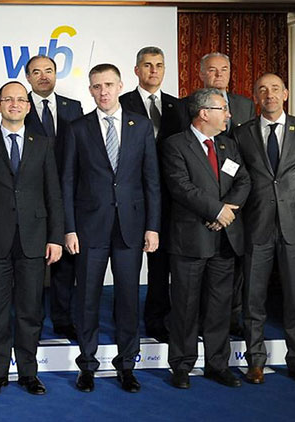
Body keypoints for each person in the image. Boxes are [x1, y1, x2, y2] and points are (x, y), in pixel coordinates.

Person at [62, 64, 160, 393]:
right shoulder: (77, 128)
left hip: (131, 227)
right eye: (96, 86)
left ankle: (127, 365)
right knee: (87, 299)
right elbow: (67, 182)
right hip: (89, 228)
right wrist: (69, 229)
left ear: (120, 86)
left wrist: (153, 227)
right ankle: (87, 365)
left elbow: (151, 180)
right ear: (90, 90)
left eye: (108, 84)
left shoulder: (141, 125)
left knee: (128, 299)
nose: (103, 91)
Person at [0, 81, 63, 395]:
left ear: (28, 106)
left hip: (34, 240)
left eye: (21, 99)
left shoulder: (43, 144)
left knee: (30, 311)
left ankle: (28, 373)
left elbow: (54, 195)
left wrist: (56, 237)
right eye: (8, 99)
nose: (15, 104)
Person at [162, 88, 250, 389]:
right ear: (204, 113)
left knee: (219, 307)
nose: (228, 114)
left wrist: (226, 212)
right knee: (185, 307)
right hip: (190, 240)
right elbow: (181, 187)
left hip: (224, 239)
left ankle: (217, 364)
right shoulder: (175, 145)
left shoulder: (228, 144)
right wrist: (216, 211)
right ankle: (182, 365)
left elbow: (243, 180)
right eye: (223, 109)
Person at [235, 73, 295, 387]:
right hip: (257, 224)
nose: (269, 94)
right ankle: (255, 362)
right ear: (255, 96)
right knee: (253, 298)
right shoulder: (242, 133)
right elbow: (238, 178)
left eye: (275, 89)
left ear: (286, 94)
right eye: (262, 90)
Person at [119, 46, 189, 342]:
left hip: (171, 197)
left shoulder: (179, 107)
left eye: (159, 65)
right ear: (137, 70)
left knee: (161, 265)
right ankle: (125, 322)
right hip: (132, 195)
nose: (154, 70)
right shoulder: (121, 102)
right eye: (147, 65)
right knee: (128, 265)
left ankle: (158, 320)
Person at [23, 54, 83, 340]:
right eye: (36, 72)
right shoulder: (19, 106)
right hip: (32, 195)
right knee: (32, 261)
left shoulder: (74, 107)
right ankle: (31, 319)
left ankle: (62, 318)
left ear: (56, 74)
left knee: (65, 261)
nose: (43, 76)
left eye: (48, 70)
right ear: (28, 77)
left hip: (68, 194)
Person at [196, 51, 255, 338]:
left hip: (239, 197)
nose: (218, 74)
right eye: (212, 70)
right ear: (201, 74)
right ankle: (200, 319)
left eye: (224, 69)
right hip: (204, 201)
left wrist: (229, 207)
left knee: (235, 265)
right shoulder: (189, 105)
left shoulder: (245, 105)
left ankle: (233, 317)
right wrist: (214, 209)